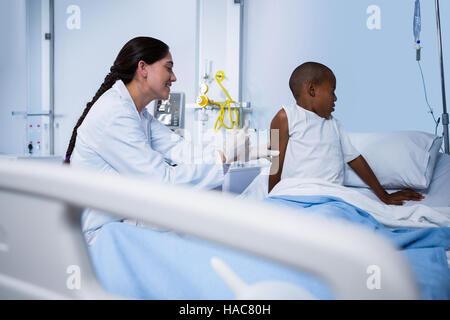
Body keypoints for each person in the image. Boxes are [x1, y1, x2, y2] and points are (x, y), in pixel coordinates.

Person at [64, 36, 276, 238]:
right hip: (105, 233)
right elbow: (161, 181)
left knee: (210, 218)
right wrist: (222, 157)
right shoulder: (114, 113)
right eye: (169, 68)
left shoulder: (138, 114)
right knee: (205, 221)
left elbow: (182, 151)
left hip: (124, 220)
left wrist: (242, 155)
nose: (174, 77)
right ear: (143, 68)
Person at [268, 61, 423, 205]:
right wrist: (273, 199)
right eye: (332, 91)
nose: (335, 98)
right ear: (312, 90)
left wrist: (384, 196)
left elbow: (354, 159)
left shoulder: (334, 124)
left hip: (331, 197)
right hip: (295, 195)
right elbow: (275, 164)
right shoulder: (284, 117)